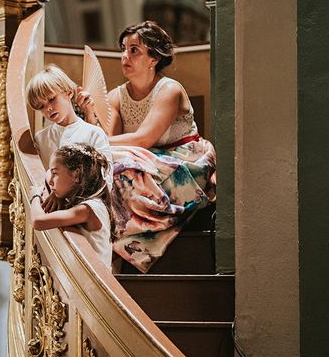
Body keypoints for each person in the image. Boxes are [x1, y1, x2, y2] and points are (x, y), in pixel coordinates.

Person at [76, 21, 216, 273]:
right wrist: (89, 113)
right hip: (145, 159)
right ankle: (106, 248)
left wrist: (94, 141)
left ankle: (118, 254)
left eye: (134, 50)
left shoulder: (170, 90)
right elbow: (107, 141)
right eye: (123, 49)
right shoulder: (118, 95)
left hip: (183, 161)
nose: (124, 56)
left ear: (153, 58)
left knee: (124, 171)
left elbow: (143, 139)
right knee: (108, 165)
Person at [26, 64, 112, 191]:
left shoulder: (94, 133)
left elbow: (106, 181)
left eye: (51, 99)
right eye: (41, 107)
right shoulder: (41, 138)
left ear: (69, 92)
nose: (48, 108)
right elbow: (38, 180)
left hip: (86, 204)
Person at [30, 143, 116, 268]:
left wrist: (35, 196)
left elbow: (38, 222)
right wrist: (56, 195)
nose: (50, 181)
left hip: (94, 283)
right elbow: (48, 172)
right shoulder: (92, 202)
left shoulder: (88, 209)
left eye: (55, 174)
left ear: (76, 175)